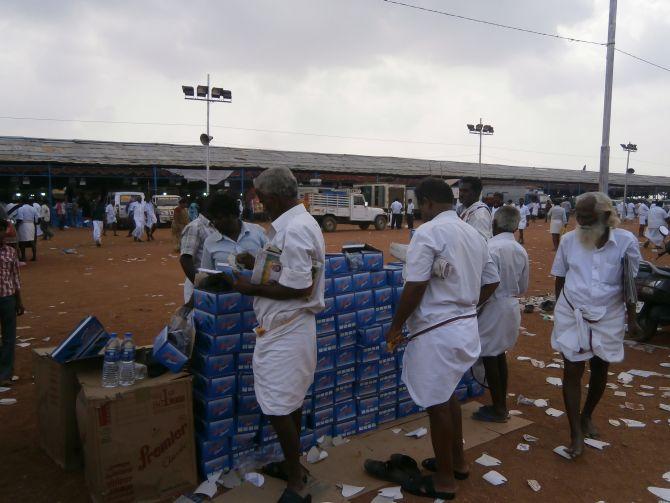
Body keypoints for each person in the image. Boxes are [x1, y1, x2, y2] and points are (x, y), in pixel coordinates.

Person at [384, 177, 499, 500]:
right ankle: (458, 462)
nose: (418, 211)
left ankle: (445, 481)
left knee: (437, 403)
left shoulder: (428, 232)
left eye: (419, 205)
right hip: (464, 328)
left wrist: (395, 326)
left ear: (428, 203)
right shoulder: (472, 234)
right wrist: (466, 304)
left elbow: (415, 285)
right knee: (448, 396)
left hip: (437, 331)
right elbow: (492, 280)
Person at [223, 167, 325, 503]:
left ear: (278, 197)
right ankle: (291, 463)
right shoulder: (297, 225)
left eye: (263, 197)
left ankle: (297, 481)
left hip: (287, 329)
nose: (259, 203)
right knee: (289, 400)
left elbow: (298, 287)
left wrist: (246, 285)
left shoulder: (294, 230)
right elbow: (291, 272)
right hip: (290, 328)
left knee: (280, 407)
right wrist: (259, 261)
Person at [551, 192, 641, 458]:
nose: (581, 222)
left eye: (587, 218)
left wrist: (632, 318)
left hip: (610, 314)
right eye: (578, 216)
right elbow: (560, 278)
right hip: (572, 311)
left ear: (605, 216)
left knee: (601, 368)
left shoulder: (626, 241)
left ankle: (586, 415)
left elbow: (629, 283)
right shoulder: (568, 240)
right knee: (572, 369)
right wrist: (560, 311)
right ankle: (575, 433)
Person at [474, 206, 529, 422]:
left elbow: (484, 282)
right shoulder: (520, 250)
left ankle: (499, 408)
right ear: (516, 226)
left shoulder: (489, 248)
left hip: (492, 306)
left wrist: (474, 306)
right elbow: (523, 286)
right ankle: (500, 404)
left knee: (489, 355)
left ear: (494, 224)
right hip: (511, 306)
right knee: (499, 355)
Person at [200, 193, 267, 271]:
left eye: (219, 218)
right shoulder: (210, 242)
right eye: (213, 219)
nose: (215, 223)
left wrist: (255, 264)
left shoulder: (258, 232)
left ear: (233, 215)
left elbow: (275, 266)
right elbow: (206, 274)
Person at [0, 218, 25, 385]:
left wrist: (19, 301)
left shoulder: (10, 252)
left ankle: (5, 373)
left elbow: (15, 278)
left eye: (2, 230)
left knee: (9, 337)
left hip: (7, 298)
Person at [179, 198, 215, 303]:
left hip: (215, 284)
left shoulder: (216, 226)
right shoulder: (195, 227)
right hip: (198, 282)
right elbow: (185, 259)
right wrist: (200, 283)